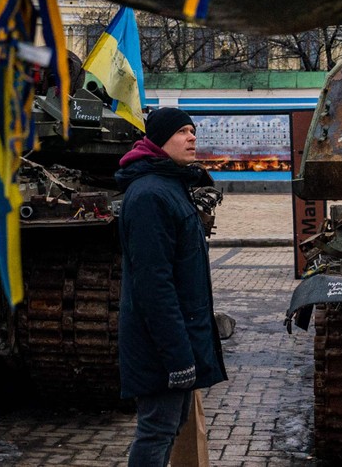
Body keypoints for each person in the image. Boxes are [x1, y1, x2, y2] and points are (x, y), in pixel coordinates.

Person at [116, 106, 226, 467]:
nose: (191, 137)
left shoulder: (170, 186)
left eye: (192, 130)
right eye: (181, 131)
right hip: (160, 345)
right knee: (157, 430)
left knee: (169, 425)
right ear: (160, 141)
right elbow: (154, 287)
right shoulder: (150, 194)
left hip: (174, 340)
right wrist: (178, 355)